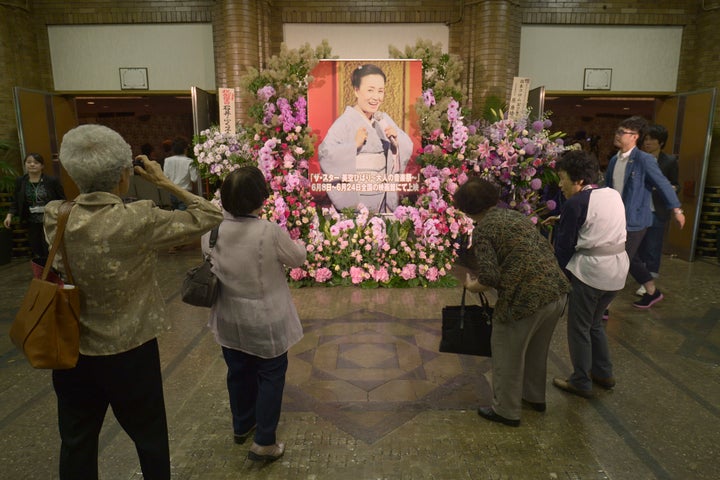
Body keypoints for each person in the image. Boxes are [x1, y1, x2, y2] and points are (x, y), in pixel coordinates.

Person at [44, 124, 222, 480]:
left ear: (71, 171)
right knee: (150, 439)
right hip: (132, 349)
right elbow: (210, 216)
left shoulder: (55, 216)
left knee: (77, 441)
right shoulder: (138, 218)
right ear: (124, 176)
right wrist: (165, 182)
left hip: (72, 348)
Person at [203, 166, 306, 461]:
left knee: (238, 373)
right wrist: (300, 244)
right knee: (271, 375)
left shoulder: (211, 231)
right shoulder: (267, 231)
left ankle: (242, 425)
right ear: (260, 197)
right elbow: (298, 258)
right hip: (266, 320)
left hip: (228, 318)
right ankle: (264, 442)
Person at [452, 177, 569, 427]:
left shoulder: (483, 229)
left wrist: (472, 286)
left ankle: (506, 410)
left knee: (507, 352)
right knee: (537, 352)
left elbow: (490, 277)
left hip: (525, 299)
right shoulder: (515, 217)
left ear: (467, 209)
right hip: (555, 291)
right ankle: (534, 398)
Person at [550, 150, 629, 398]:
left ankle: (581, 380)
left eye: (562, 178)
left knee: (579, 328)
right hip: (616, 272)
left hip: (591, 273)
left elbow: (564, 248)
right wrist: (564, 219)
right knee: (594, 324)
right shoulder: (612, 194)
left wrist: (555, 279)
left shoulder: (574, 203)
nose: (560, 184)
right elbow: (597, 219)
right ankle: (604, 373)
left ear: (579, 180)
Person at [604, 116, 685, 309]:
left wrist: (676, 209)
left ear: (634, 137)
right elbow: (608, 188)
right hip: (617, 219)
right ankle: (652, 291)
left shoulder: (644, 159)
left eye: (622, 132)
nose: (617, 135)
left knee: (620, 259)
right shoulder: (615, 160)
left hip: (636, 220)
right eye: (618, 131)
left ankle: (603, 306)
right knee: (631, 259)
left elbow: (663, 184)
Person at [318, 63, 414, 212]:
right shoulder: (345, 122)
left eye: (380, 91)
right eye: (370, 90)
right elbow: (325, 154)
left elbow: (405, 146)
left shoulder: (383, 119)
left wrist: (396, 144)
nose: (376, 97)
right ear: (356, 91)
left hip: (381, 198)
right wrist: (353, 146)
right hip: (358, 196)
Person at [635, 124, 679, 296]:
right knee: (637, 247)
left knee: (653, 247)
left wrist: (671, 189)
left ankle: (647, 282)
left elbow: (676, 184)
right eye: (646, 139)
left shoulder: (669, 161)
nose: (648, 142)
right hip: (638, 209)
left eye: (652, 139)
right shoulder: (637, 159)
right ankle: (641, 276)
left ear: (661, 142)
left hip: (657, 209)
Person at [4, 153, 65, 260]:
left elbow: (62, 199)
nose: (32, 165)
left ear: (42, 166)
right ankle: (42, 270)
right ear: (25, 165)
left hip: (49, 219)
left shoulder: (51, 181)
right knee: (36, 246)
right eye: (29, 162)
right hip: (31, 220)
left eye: (36, 163)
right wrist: (9, 215)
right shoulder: (21, 181)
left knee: (48, 246)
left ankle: (53, 270)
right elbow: (16, 201)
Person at [163, 136, 197, 211]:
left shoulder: (167, 160)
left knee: (175, 216)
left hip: (172, 192)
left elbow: (165, 177)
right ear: (185, 149)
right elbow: (194, 179)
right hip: (185, 192)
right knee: (184, 217)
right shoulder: (190, 161)